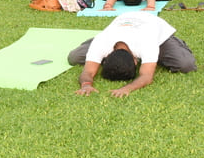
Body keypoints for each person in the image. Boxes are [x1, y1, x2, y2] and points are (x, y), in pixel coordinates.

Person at [68, 12, 196, 97]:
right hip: (121, 24)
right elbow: (87, 72)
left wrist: (127, 89)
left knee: (185, 65)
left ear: (136, 61)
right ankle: (92, 46)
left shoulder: (147, 43)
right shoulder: (102, 42)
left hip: (154, 27)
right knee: (74, 57)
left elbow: (146, 76)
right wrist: (86, 85)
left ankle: (175, 43)